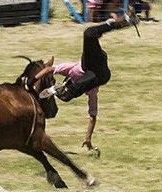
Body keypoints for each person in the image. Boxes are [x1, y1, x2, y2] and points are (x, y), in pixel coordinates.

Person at [37, 11, 140, 150]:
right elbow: (92, 116)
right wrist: (88, 137)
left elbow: (49, 69)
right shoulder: (92, 90)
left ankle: (121, 22)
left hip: (97, 68)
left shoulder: (71, 69)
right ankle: (123, 22)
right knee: (89, 34)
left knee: (71, 93)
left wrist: (32, 79)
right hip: (96, 70)